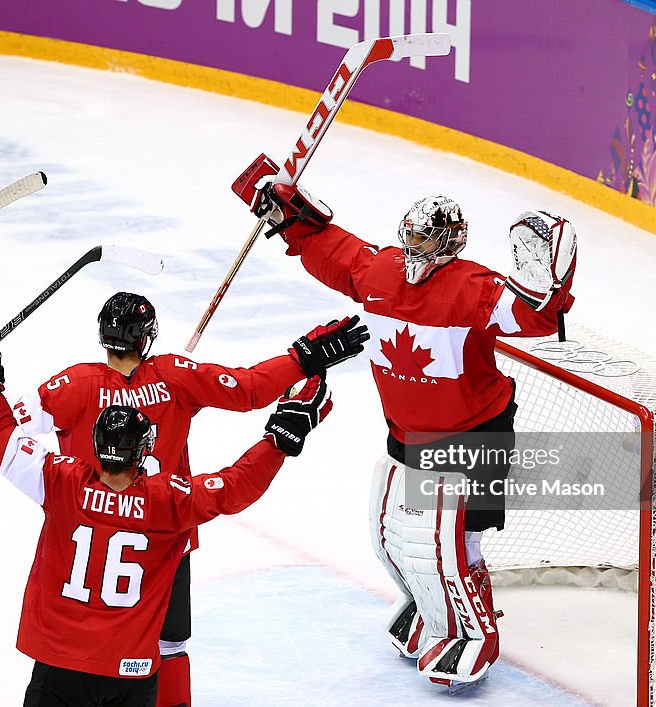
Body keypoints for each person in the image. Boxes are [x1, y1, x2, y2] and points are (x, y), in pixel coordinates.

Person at [0, 293, 368, 707]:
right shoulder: (174, 379)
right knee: (168, 647)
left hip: (76, 525)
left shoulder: (75, 389)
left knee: (73, 652)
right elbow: (249, 392)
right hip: (163, 530)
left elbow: (5, 430)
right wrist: (301, 361)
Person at [242, 178, 576, 688]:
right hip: (408, 432)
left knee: (459, 542)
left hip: (475, 436)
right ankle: (431, 607)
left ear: (451, 243)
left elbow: (538, 315)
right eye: (413, 238)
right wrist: (290, 219)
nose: (418, 250)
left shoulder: (473, 288)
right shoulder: (381, 271)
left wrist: (549, 279)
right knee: (400, 539)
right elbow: (333, 251)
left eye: (430, 240)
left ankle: (475, 632)